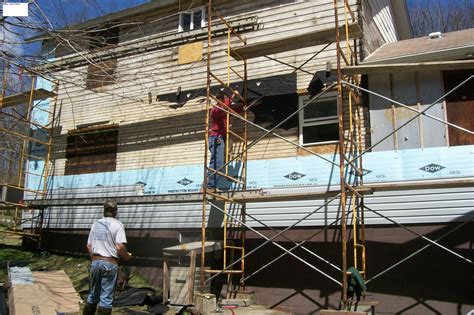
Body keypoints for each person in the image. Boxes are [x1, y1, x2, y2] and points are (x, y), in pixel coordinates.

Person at [83, 200, 132, 315]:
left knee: (93, 295)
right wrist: (127, 256)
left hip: (95, 262)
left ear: (104, 211)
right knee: (106, 299)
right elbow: (119, 247)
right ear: (116, 212)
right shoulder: (118, 225)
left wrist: (94, 260)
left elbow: (89, 246)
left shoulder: (96, 224)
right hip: (109, 264)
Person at [207, 91, 241, 191]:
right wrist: (233, 96)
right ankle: (210, 185)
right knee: (216, 162)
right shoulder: (215, 110)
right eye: (225, 99)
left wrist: (243, 108)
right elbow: (223, 108)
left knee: (219, 162)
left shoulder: (222, 112)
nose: (227, 101)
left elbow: (230, 110)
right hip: (216, 137)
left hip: (220, 138)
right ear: (221, 100)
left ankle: (211, 185)